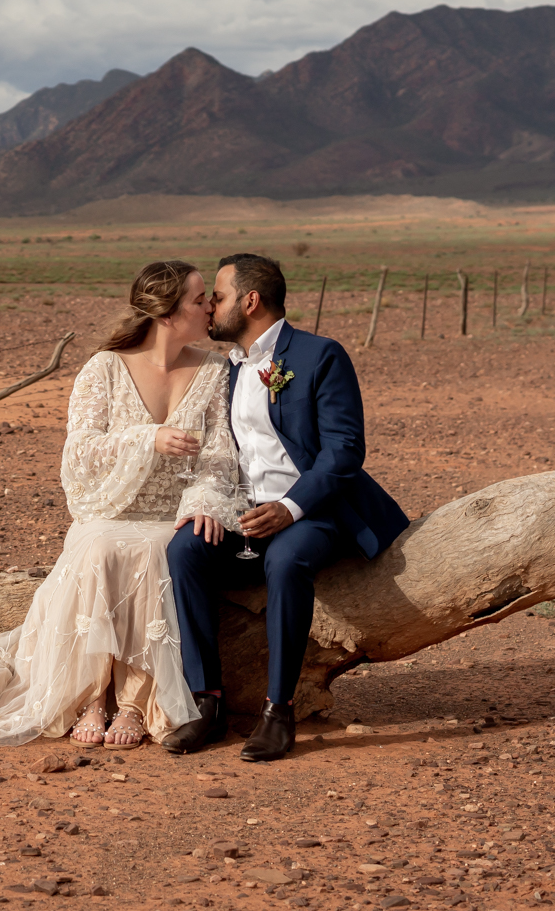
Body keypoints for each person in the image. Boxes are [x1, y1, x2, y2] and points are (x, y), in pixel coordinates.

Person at [0, 260, 247, 750]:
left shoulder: (214, 371)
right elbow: (79, 450)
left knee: (160, 550)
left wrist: (206, 501)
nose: (210, 304)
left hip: (172, 513)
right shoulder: (103, 369)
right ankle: (93, 696)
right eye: (198, 298)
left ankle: (133, 701)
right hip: (110, 511)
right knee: (100, 547)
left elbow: (221, 458)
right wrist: (149, 438)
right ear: (166, 314)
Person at [162, 253, 409, 762]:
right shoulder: (223, 370)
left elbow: (344, 451)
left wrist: (290, 509)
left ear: (251, 301)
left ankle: (279, 710)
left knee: (285, 559)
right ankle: (206, 703)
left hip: (315, 510)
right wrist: (210, 503)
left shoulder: (320, 355)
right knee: (185, 549)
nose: (211, 307)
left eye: (221, 297)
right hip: (242, 509)